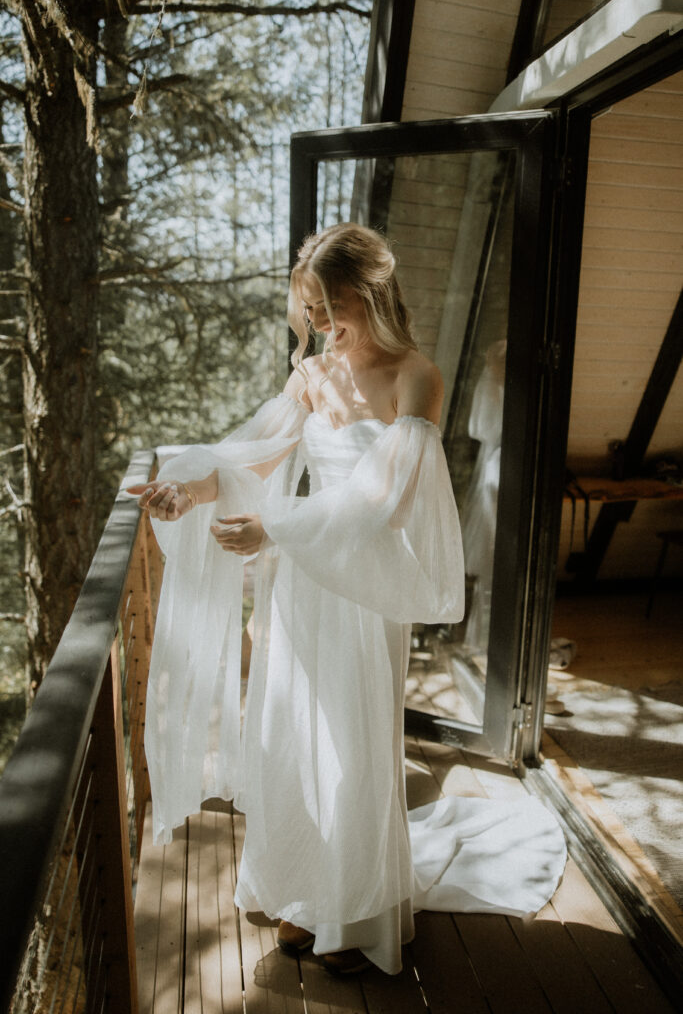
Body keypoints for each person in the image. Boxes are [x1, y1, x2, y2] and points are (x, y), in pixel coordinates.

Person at [128, 223, 565, 977]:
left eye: (331, 303)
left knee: (353, 744)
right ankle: (302, 895)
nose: (321, 322)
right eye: (309, 306)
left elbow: (383, 501)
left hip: (360, 588)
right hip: (298, 578)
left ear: (369, 291)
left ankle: (358, 915)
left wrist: (276, 524)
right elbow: (250, 458)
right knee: (292, 734)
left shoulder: (414, 376)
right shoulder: (311, 378)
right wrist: (187, 492)